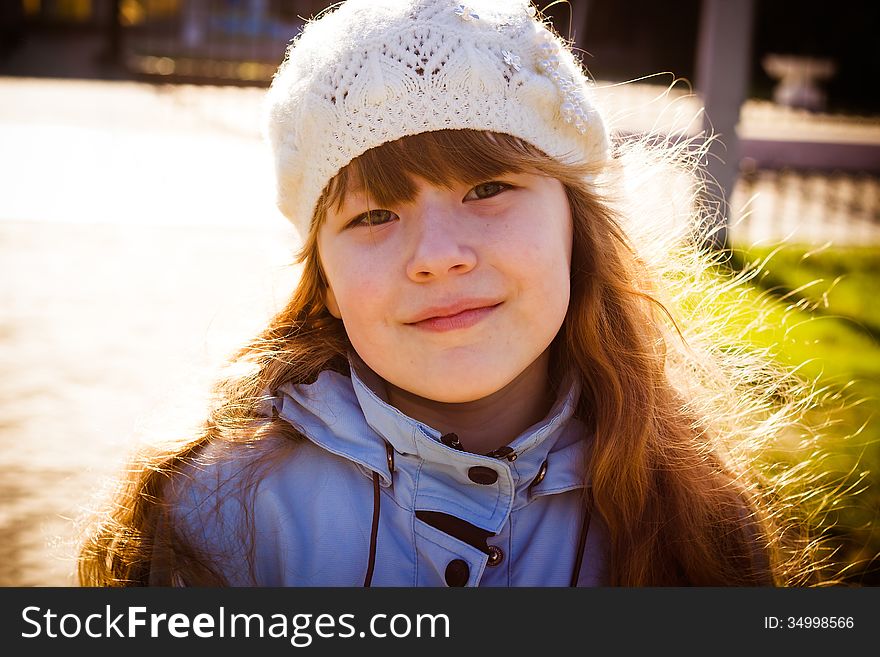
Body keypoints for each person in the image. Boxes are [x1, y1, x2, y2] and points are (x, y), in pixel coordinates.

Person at [78, 0, 829, 586]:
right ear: (327, 283)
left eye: (488, 187)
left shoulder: (692, 516)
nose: (437, 257)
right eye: (374, 213)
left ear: (576, 225)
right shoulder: (218, 516)